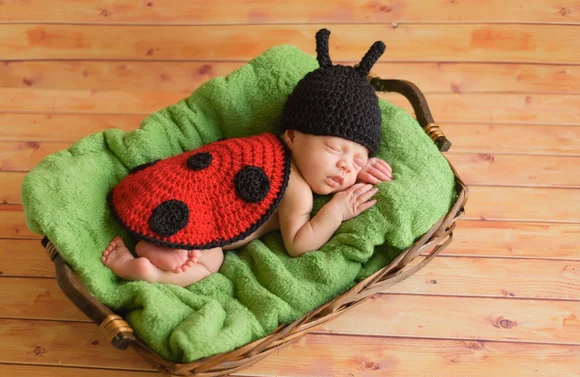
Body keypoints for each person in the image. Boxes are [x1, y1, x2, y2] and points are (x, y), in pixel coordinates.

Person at [101, 28, 393, 287]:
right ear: (291, 136)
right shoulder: (294, 186)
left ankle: (154, 247)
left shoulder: (282, 152)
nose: (345, 165)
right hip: (188, 209)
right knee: (210, 261)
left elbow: (339, 156)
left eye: (356, 160)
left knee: (189, 241)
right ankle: (148, 272)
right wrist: (337, 211)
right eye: (334, 149)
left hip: (160, 191)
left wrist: (358, 164)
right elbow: (298, 244)